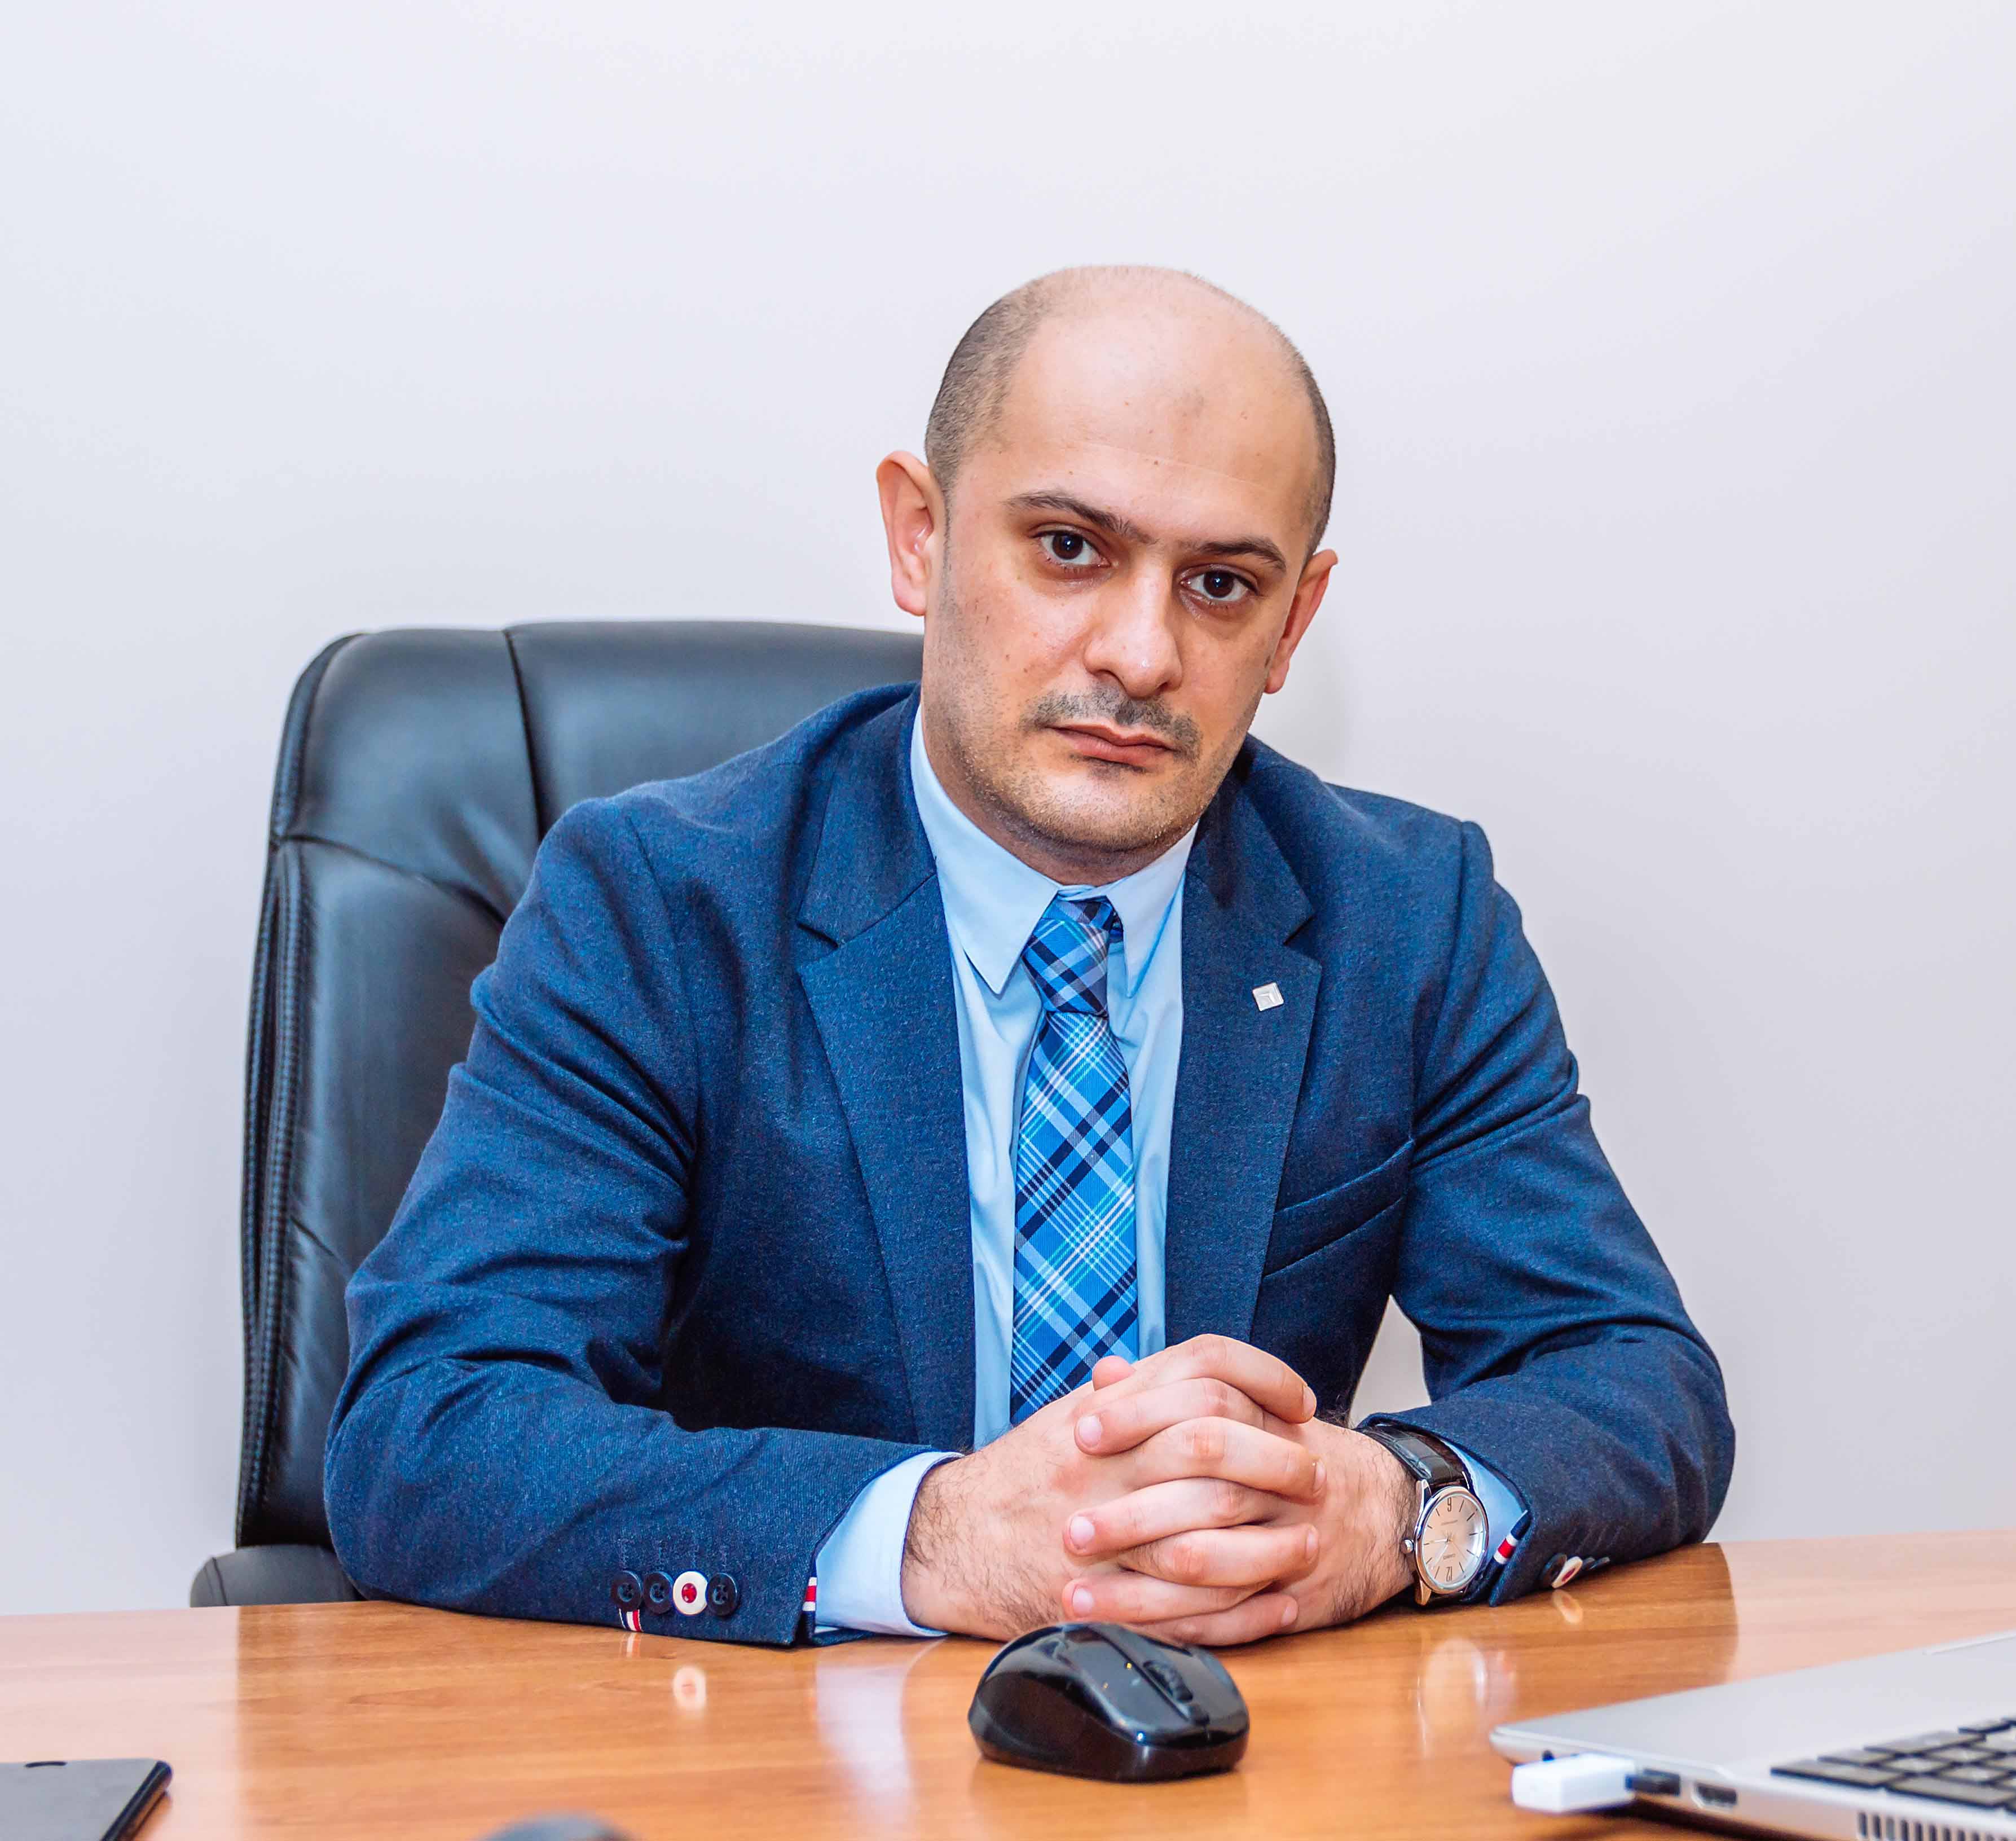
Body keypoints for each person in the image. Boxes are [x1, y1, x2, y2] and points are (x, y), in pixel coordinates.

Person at [325, 266, 1731, 1648]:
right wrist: (936, 1537)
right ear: (919, 537)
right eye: (1069, 548)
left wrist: (1391, 1503)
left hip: (1253, 1744)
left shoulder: (1406, 915)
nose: (1139, 653)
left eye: (1220, 584)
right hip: (794, 1748)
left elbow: (1632, 1378)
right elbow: (429, 1431)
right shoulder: (657, 903)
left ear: (1291, 624)